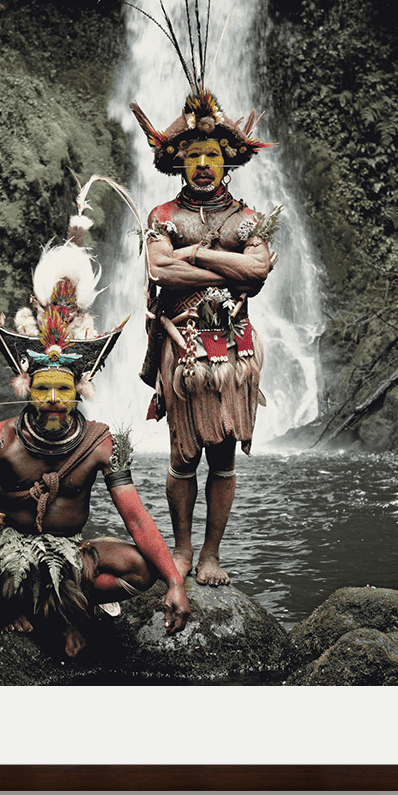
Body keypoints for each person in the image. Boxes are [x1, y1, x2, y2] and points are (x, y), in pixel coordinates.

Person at [0, 180, 190, 658]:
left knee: (140, 571)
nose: (55, 399)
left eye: (64, 389)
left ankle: (58, 608)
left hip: (71, 552)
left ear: (79, 389)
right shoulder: (1, 438)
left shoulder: (101, 442)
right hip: (8, 549)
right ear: (28, 389)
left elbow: (135, 516)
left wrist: (174, 582)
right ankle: (22, 611)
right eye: (44, 389)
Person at [131, 88, 279, 588]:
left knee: (223, 454)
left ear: (226, 162)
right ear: (179, 162)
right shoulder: (163, 216)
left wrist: (194, 255)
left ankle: (211, 554)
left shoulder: (248, 219)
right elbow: (159, 269)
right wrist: (227, 268)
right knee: (183, 453)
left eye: (211, 155)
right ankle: (181, 548)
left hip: (234, 347)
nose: (202, 165)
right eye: (193, 155)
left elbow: (258, 272)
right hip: (180, 345)